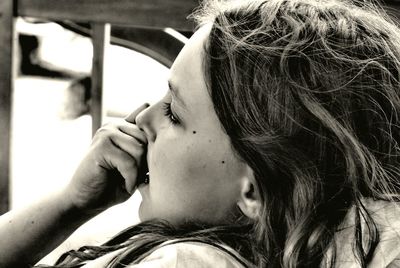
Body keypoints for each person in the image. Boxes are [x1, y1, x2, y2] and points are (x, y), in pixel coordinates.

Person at [1, 0, 400, 267]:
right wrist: (73, 203)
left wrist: (68, 208)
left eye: (174, 113)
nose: (141, 120)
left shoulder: (184, 262)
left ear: (253, 190)